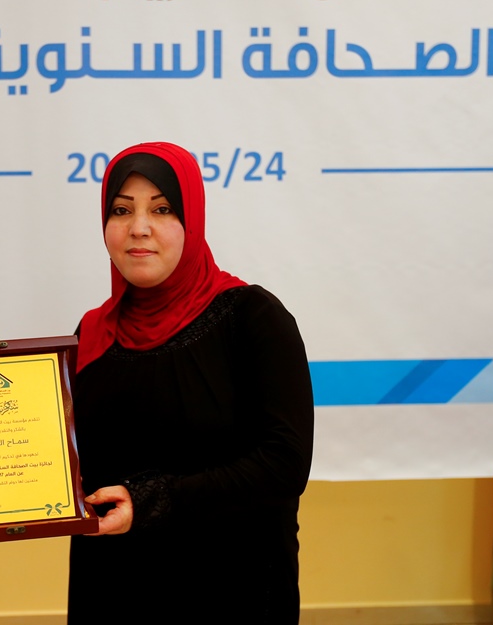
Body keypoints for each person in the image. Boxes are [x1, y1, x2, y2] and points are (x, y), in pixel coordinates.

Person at [67, 142, 314, 623]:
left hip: (230, 587)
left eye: (162, 209)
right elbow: (62, 463)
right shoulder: (92, 333)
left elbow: (284, 465)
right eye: (122, 210)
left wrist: (150, 501)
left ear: (192, 219)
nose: (139, 227)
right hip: (114, 588)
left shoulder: (252, 317)